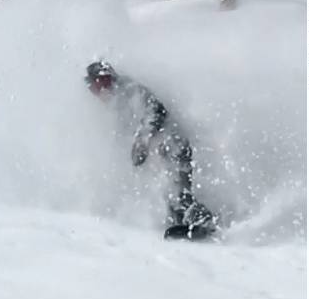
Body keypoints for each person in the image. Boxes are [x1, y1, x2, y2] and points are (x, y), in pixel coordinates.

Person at [85, 60, 217, 240]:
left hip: (172, 146)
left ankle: (202, 220)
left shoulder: (129, 91)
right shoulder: (118, 105)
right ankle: (185, 229)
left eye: (99, 84)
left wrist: (142, 139)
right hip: (163, 152)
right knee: (170, 199)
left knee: (178, 191)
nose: (97, 92)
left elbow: (156, 110)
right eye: (93, 88)